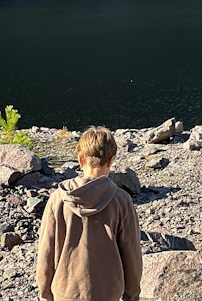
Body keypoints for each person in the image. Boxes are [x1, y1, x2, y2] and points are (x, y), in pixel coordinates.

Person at [36, 125, 143, 301]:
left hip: (65, 293)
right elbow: (131, 253)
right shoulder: (122, 201)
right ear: (111, 160)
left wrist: (45, 294)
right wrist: (132, 295)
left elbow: (46, 250)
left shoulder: (58, 198)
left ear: (80, 159)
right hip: (108, 294)